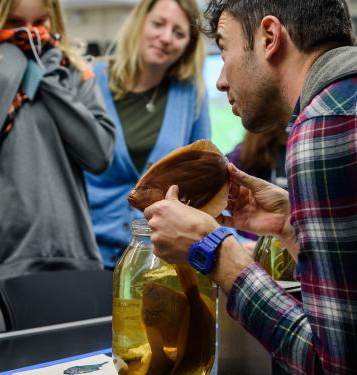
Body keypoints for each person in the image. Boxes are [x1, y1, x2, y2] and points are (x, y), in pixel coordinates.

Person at [144, 0, 357, 373]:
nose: (221, 80)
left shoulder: (326, 125)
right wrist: (289, 225)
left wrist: (214, 251)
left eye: (224, 49)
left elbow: (334, 366)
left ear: (270, 37)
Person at [0, 0, 116, 284]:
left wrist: (49, 80)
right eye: (14, 24)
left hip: (73, 257)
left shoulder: (74, 72)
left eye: (40, 23)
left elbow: (99, 155)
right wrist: (5, 74)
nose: (29, 35)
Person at [85, 0, 211, 269]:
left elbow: (205, 180)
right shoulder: (90, 80)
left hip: (154, 257)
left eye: (179, 33)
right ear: (140, 23)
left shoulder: (190, 94)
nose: (166, 38)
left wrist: (226, 236)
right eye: (158, 24)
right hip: (88, 253)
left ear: (188, 45)